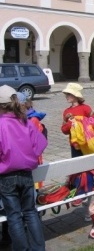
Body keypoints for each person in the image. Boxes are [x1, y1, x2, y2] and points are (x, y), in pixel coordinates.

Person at [0, 85, 48, 251]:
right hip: (27, 174)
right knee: (30, 211)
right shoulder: (25, 121)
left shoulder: (1, 124)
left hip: (6, 177)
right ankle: (38, 248)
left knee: (14, 215)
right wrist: (29, 156)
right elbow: (41, 143)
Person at [61, 82, 94, 158]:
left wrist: (81, 122)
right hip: (75, 144)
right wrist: (69, 122)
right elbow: (64, 130)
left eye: (69, 94)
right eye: (66, 94)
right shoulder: (66, 112)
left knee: (91, 164)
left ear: (75, 96)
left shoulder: (85, 108)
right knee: (78, 166)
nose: (66, 96)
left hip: (88, 142)